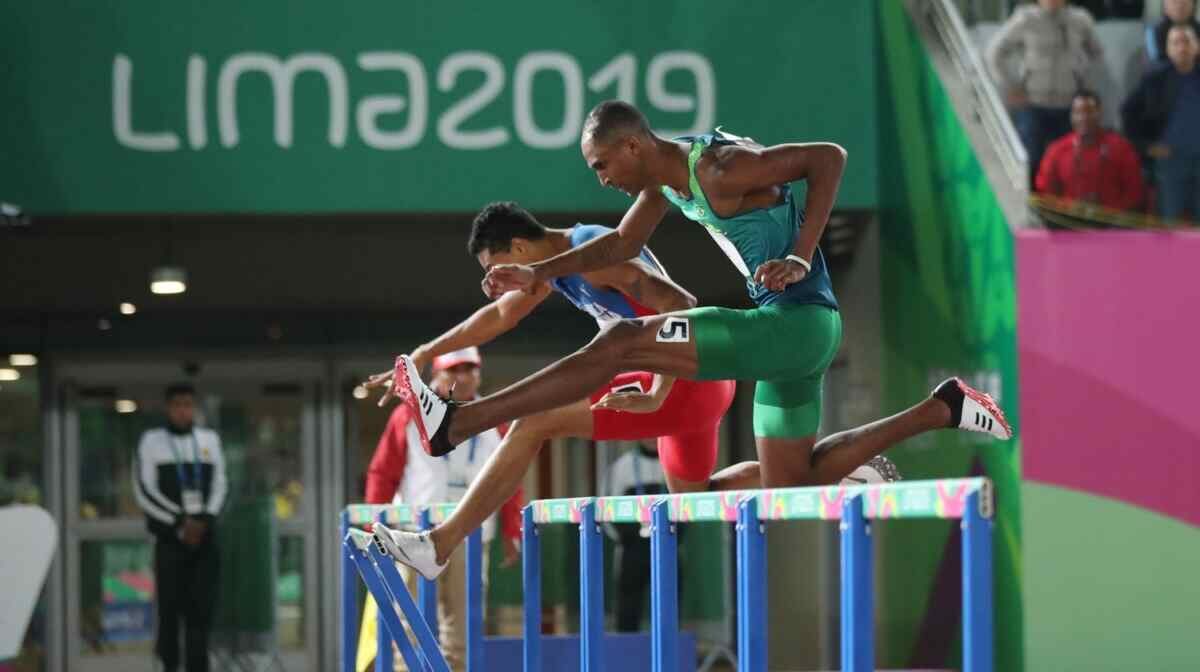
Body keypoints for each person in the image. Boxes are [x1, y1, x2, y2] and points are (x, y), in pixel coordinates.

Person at [368, 101, 1008, 577]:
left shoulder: (721, 167)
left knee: (619, 344)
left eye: (601, 165)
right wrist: (533, 274)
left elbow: (828, 158)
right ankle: (943, 408)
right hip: (795, 337)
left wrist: (800, 253)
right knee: (789, 490)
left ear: (634, 145)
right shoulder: (665, 182)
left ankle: (461, 421)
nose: (600, 180)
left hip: (793, 321)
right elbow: (622, 244)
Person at [365, 347, 521, 671]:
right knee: (410, 621)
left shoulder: (493, 417)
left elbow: (510, 477)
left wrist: (511, 531)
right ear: (435, 374)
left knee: (463, 625)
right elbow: (383, 472)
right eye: (454, 369)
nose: (463, 377)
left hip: (472, 536)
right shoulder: (408, 415)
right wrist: (373, 526)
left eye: (470, 369)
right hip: (412, 534)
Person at [132, 384, 227, 672]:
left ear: (194, 407)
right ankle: (169, 666)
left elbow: (222, 483)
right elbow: (143, 490)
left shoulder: (209, 439)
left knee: (201, 614)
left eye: (188, 404)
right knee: (170, 614)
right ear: (168, 408)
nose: (183, 410)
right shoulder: (152, 441)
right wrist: (179, 521)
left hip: (204, 539)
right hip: (171, 540)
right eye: (177, 405)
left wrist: (205, 519)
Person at [986, 0, 1105, 186]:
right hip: (1033, 106)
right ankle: (1028, 209)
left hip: (1070, 108)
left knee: (1070, 165)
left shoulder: (1080, 20)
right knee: (1030, 161)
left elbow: (1098, 55)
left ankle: (1063, 212)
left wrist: (1085, 89)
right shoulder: (1025, 19)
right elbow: (994, 53)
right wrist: (1010, 86)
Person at [1122, 24, 1200, 221]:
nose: (1182, 47)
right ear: (1167, 49)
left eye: (1187, 41)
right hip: (1171, 161)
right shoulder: (1154, 79)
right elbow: (1127, 113)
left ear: (1197, 46)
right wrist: (1147, 146)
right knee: (1169, 223)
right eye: (1176, 43)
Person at [1035, 90, 1145, 211]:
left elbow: (1134, 192)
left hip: (1111, 223)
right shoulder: (1056, 150)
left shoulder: (1121, 148)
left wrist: (1108, 211)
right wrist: (1070, 207)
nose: (1084, 118)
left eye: (1090, 112)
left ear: (1100, 114)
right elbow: (1046, 193)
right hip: (1068, 222)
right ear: (1071, 116)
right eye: (1078, 112)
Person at [602, 443, 672, 633]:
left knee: (669, 605)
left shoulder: (673, 463)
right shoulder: (622, 466)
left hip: (668, 546)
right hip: (632, 549)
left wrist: (674, 537)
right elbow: (607, 511)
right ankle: (627, 658)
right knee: (627, 609)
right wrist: (627, 539)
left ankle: (669, 656)